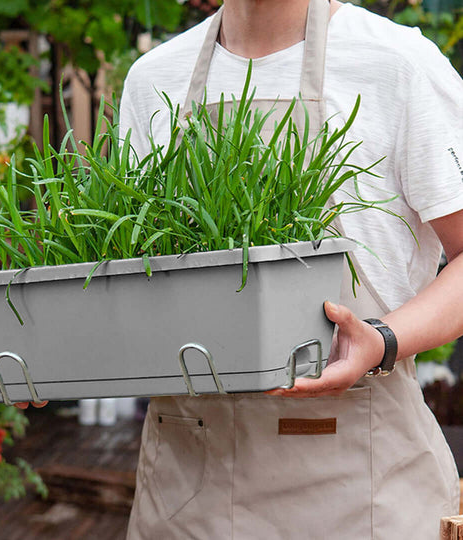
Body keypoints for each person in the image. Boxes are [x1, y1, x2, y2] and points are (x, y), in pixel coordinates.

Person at [117, 0, 463, 538]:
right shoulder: (154, 79)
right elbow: (135, 279)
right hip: (189, 492)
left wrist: (382, 340)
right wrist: (50, 344)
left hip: (361, 487)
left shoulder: (397, 64)